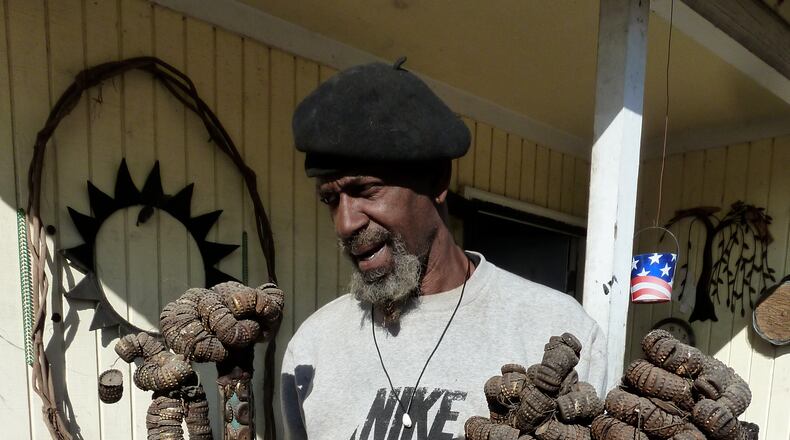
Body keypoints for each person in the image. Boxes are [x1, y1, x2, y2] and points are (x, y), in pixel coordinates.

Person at [280, 59, 607, 440]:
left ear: (437, 181)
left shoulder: (554, 328)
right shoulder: (312, 348)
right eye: (331, 200)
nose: (345, 222)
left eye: (366, 190)